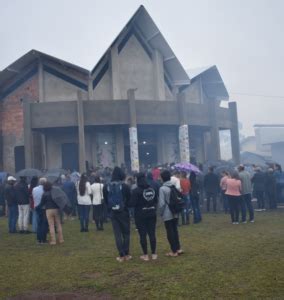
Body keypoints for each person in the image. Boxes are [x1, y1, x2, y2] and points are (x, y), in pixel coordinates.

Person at [103, 167, 131, 262]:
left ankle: (121, 255)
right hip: (124, 212)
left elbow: (106, 200)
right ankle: (127, 254)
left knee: (117, 234)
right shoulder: (125, 186)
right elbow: (129, 199)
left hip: (113, 212)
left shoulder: (106, 186)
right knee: (126, 233)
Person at [131, 172, 158, 261]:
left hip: (140, 215)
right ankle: (154, 254)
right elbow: (156, 200)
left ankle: (145, 255)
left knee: (142, 235)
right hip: (152, 213)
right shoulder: (152, 189)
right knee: (152, 233)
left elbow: (133, 203)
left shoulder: (136, 191)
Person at [159, 169, 183, 257]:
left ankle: (173, 251)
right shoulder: (173, 186)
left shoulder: (162, 188)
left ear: (162, 178)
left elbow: (161, 204)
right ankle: (178, 248)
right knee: (175, 230)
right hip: (175, 211)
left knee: (170, 232)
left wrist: (161, 213)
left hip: (167, 213)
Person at [33, 177, 48, 243]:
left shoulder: (34, 189)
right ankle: (43, 239)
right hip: (44, 208)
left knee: (39, 224)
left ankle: (38, 239)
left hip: (36, 207)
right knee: (44, 224)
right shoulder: (45, 190)